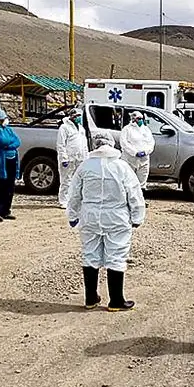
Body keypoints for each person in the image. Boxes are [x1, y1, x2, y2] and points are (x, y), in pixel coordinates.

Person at [67, 133, 145, 311]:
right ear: (112, 144)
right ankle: (116, 300)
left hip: (90, 217)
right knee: (116, 256)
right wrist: (137, 216)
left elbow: (74, 195)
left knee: (90, 254)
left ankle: (90, 298)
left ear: (95, 145)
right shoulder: (121, 166)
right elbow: (134, 193)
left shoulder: (85, 167)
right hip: (116, 218)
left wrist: (72, 216)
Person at [56, 109, 88, 209]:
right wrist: (64, 158)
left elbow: (84, 144)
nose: (79, 117)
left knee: (78, 180)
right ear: (72, 116)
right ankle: (63, 201)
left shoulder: (81, 128)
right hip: (69, 158)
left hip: (80, 158)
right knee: (66, 180)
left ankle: (75, 200)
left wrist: (86, 157)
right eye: (77, 115)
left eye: (80, 115)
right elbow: (61, 144)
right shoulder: (64, 127)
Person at [120, 111, 155, 192]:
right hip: (130, 159)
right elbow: (124, 143)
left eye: (141, 119)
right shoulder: (127, 129)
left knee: (142, 181)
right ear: (133, 119)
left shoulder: (146, 130)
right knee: (129, 181)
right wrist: (135, 152)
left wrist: (146, 152)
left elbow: (151, 143)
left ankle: (141, 200)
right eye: (138, 119)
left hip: (144, 160)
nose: (140, 120)